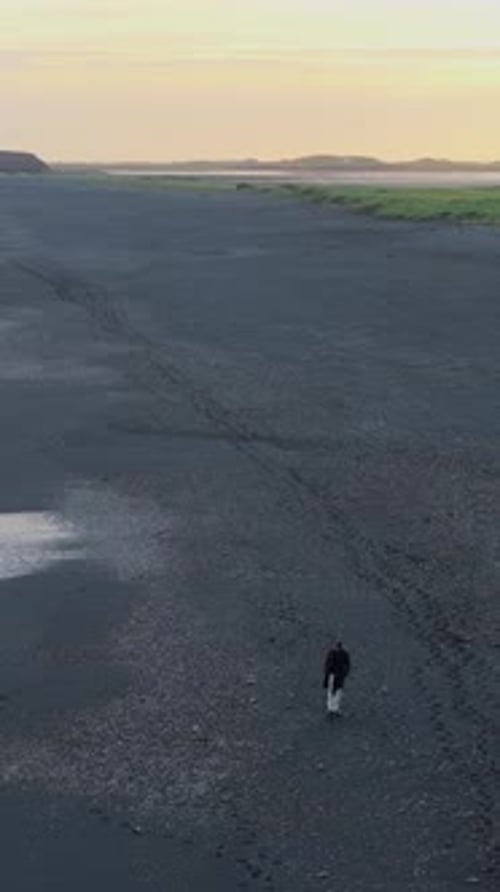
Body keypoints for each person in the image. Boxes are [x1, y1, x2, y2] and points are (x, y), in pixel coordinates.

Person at [323, 641, 351, 715]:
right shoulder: (342, 654)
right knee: (333, 691)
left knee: (336, 691)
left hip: (337, 675)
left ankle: (333, 708)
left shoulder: (335, 653)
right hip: (334, 675)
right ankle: (332, 708)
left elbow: (327, 664)